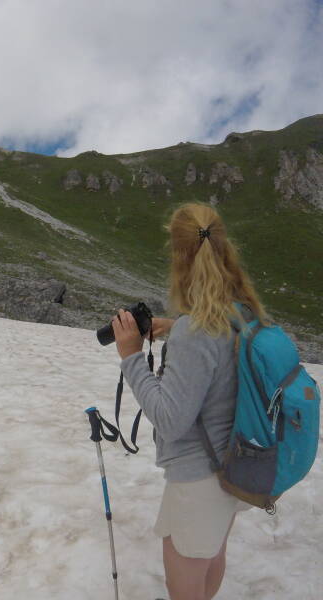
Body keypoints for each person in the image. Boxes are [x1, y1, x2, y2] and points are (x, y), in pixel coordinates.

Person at [110, 202, 265, 600]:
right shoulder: (242, 311)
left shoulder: (195, 332)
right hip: (234, 464)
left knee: (185, 582)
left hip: (199, 477)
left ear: (179, 257)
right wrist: (178, 325)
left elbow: (171, 419)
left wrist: (131, 356)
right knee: (212, 556)